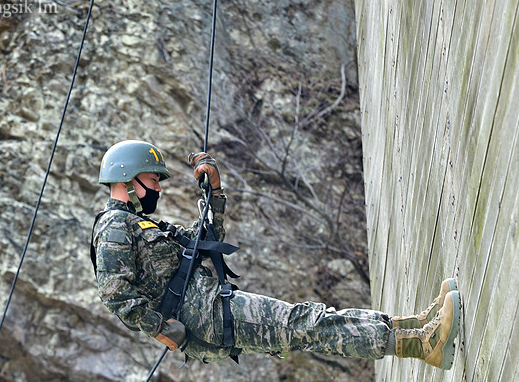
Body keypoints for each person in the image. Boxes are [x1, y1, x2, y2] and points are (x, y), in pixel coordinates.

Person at [91, 140, 461, 369]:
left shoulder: (142, 227)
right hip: (207, 320)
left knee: (308, 323)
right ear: (128, 181)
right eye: (153, 180)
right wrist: (160, 329)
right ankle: (421, 344)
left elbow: (204, 239)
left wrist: (214, 191)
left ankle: (411, 329)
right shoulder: (114, 227)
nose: (157, 188)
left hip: (215, 309)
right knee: (307, 325)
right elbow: (115, 294)